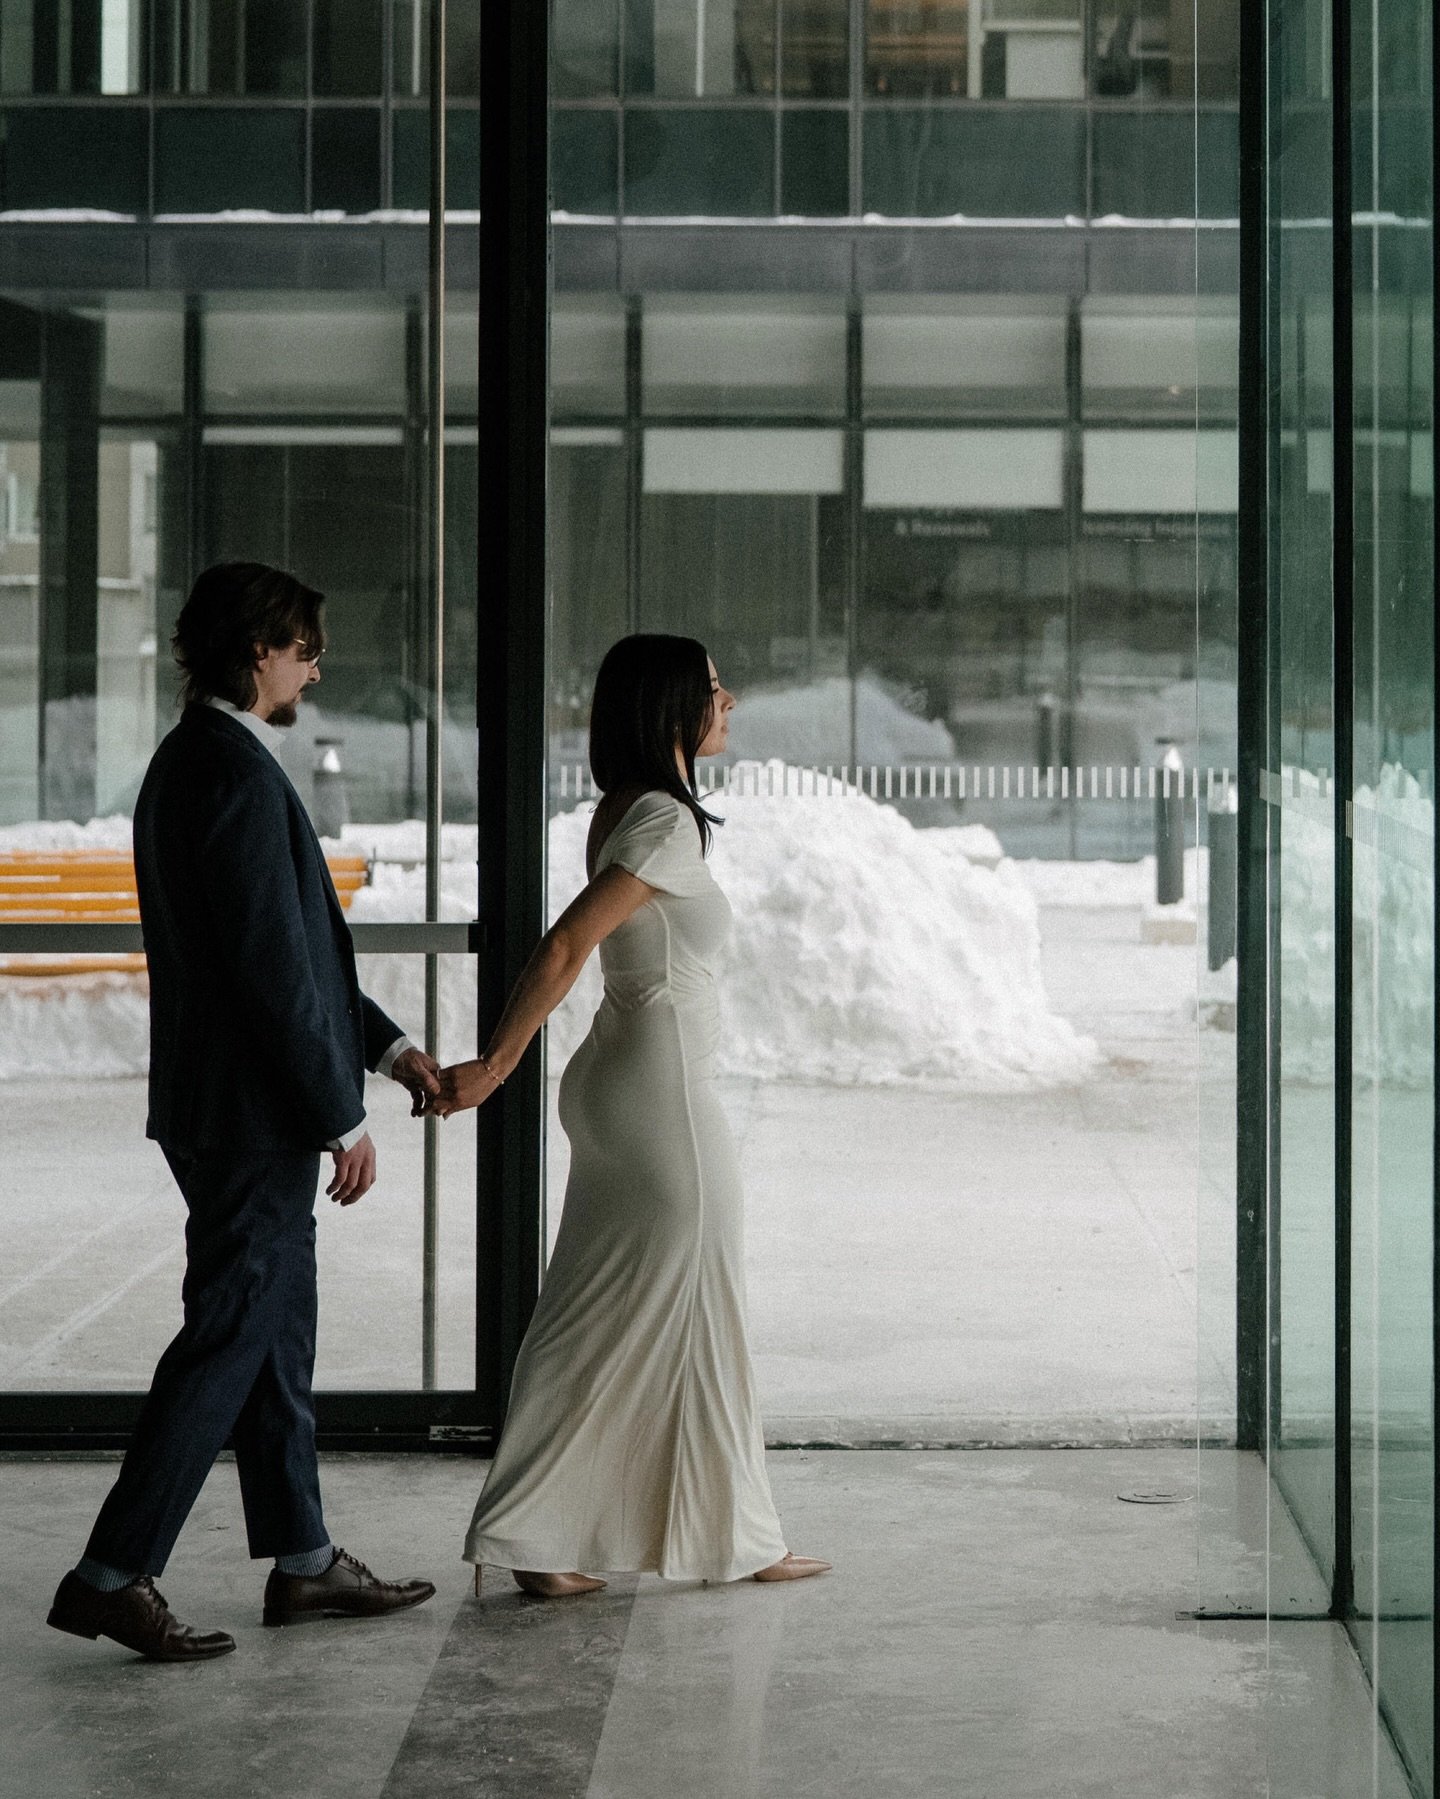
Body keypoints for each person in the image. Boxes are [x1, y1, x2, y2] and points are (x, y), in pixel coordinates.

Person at [47, 562, 441, 1663]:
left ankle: (304, 1556)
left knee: (271, 1328)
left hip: (233, 1108)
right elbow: (271, 973)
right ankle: (112, 1571)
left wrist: (390, 1050)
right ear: (257, 647)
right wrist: (338, 1113)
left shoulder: (207, 762)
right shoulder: (223, 772)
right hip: (249, 1115)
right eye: (304, 646)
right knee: (230, 1331)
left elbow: (295, 959)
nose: (315, 665)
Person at [427, 633, 829, 1596]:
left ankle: (546, 1538)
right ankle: (727, 1537)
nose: (730, 702)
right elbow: (566, 943)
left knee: (596, 1315)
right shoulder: (665, 821)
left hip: (624, 1085)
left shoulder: (629, 808)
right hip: (663, 1103)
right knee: (693, 1305)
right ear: (673, 710)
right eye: (714, 691)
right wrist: (494, 1064)